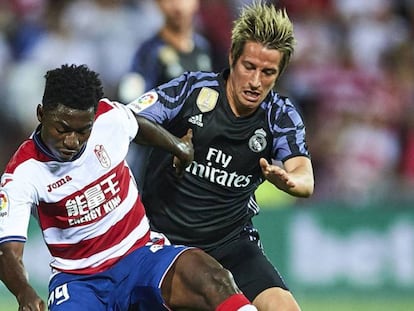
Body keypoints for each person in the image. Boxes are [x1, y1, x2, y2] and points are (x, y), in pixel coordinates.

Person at [0, 64, 259, 311]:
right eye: (62, 129)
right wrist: (23, 291)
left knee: (212, 278)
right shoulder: (22, 173)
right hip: (79, 280)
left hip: (141, 254)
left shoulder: (108, 118)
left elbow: (136, 125)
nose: (72, 141)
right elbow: (8, 251)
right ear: (41, 114)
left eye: (83, 132)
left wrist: (178, 147)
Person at [127, 2, 314, 311]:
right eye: (249, 67)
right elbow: (129, 119)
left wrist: (290, 180)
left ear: (279, 73)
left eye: (268, 72)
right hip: (164, 244)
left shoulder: (279, 114)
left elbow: (305, 178)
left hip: (231, 243)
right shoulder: (191, 91)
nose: (255, 82)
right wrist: (174, 144)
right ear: (232, 59)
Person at [118, 0, 212, 103]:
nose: (178, 6)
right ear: (158, 4)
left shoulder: (203, 46)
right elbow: (132, 100)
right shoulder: (149, 52)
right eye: (169, 0)